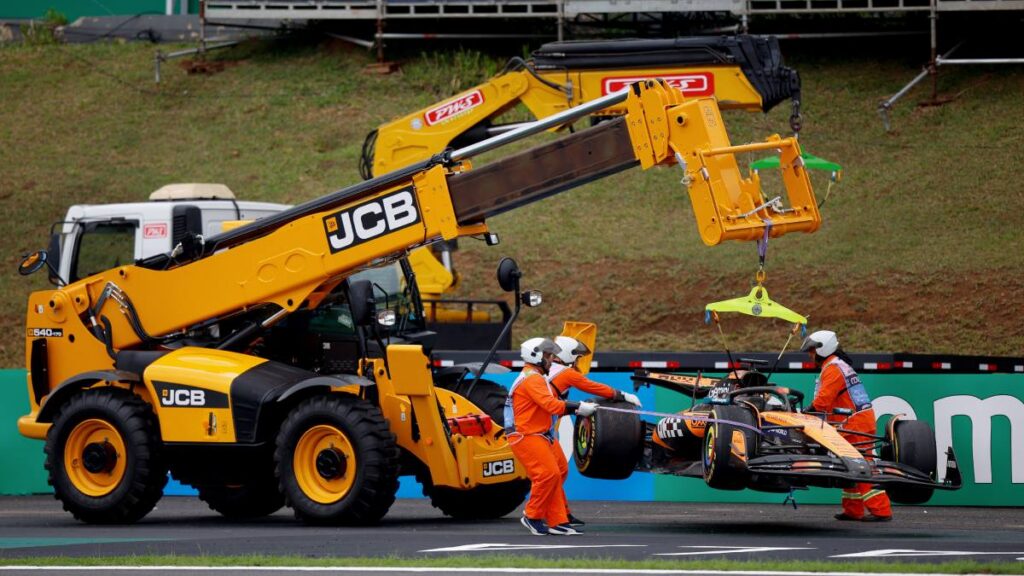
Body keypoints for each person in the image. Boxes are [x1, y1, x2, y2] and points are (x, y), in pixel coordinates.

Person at [505, 337, 597, 536]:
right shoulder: (533, 378)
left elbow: (549, 406)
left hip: (540, 434)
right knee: (547, 475)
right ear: (536, 356)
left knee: (558, 472)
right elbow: (551, 405)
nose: (552, 359)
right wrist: (579, 407)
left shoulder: (535, 376)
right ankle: (532, 516)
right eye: (548, 355)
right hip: (527, 435)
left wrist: (577, 407)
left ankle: (558, 521)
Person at [547, 336, 642, 527]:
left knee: (559, 471)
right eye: (576, 357)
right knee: (551, 475)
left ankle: (561, 514)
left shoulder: (550, 369)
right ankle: (542, 514)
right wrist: (622, 395)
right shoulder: (565, 373)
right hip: (538, 430)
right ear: (567, 355)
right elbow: (592, 387)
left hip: (545, 430)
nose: (577, 361)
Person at [801, 329, 893, 522]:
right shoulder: (834, 365)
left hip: (854, 424)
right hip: (855, 421)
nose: (810, 355)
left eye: (812, 351)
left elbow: (822, 402)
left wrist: (804, 414)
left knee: (861, 466)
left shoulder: (833, 368)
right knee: (850, 466)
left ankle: (881, 510)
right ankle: (853, 510)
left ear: (823, 349)